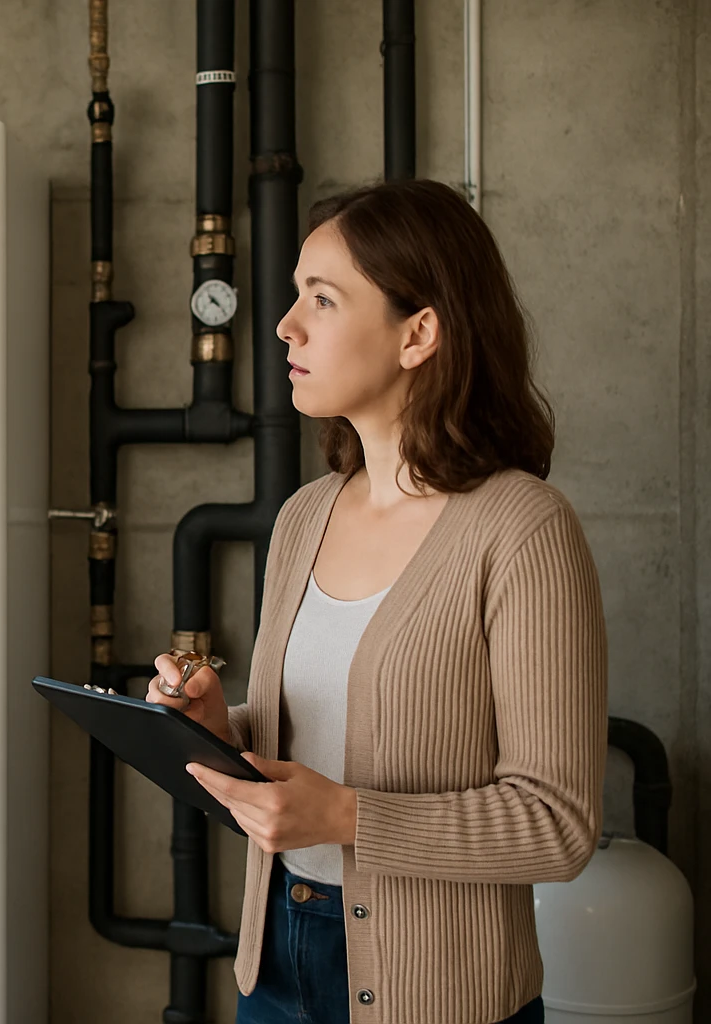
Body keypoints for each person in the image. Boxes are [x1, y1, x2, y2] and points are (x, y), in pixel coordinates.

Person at [148, 178, 606, 1024]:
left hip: (438, 993)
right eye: (295, 297)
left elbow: (558, 823)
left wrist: (351, 818)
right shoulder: (304, 515)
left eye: (322, 299)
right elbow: (320, 741)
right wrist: (219, 730)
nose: (285, 326)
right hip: (274, 964)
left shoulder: (521, 530)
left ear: (419, 332)